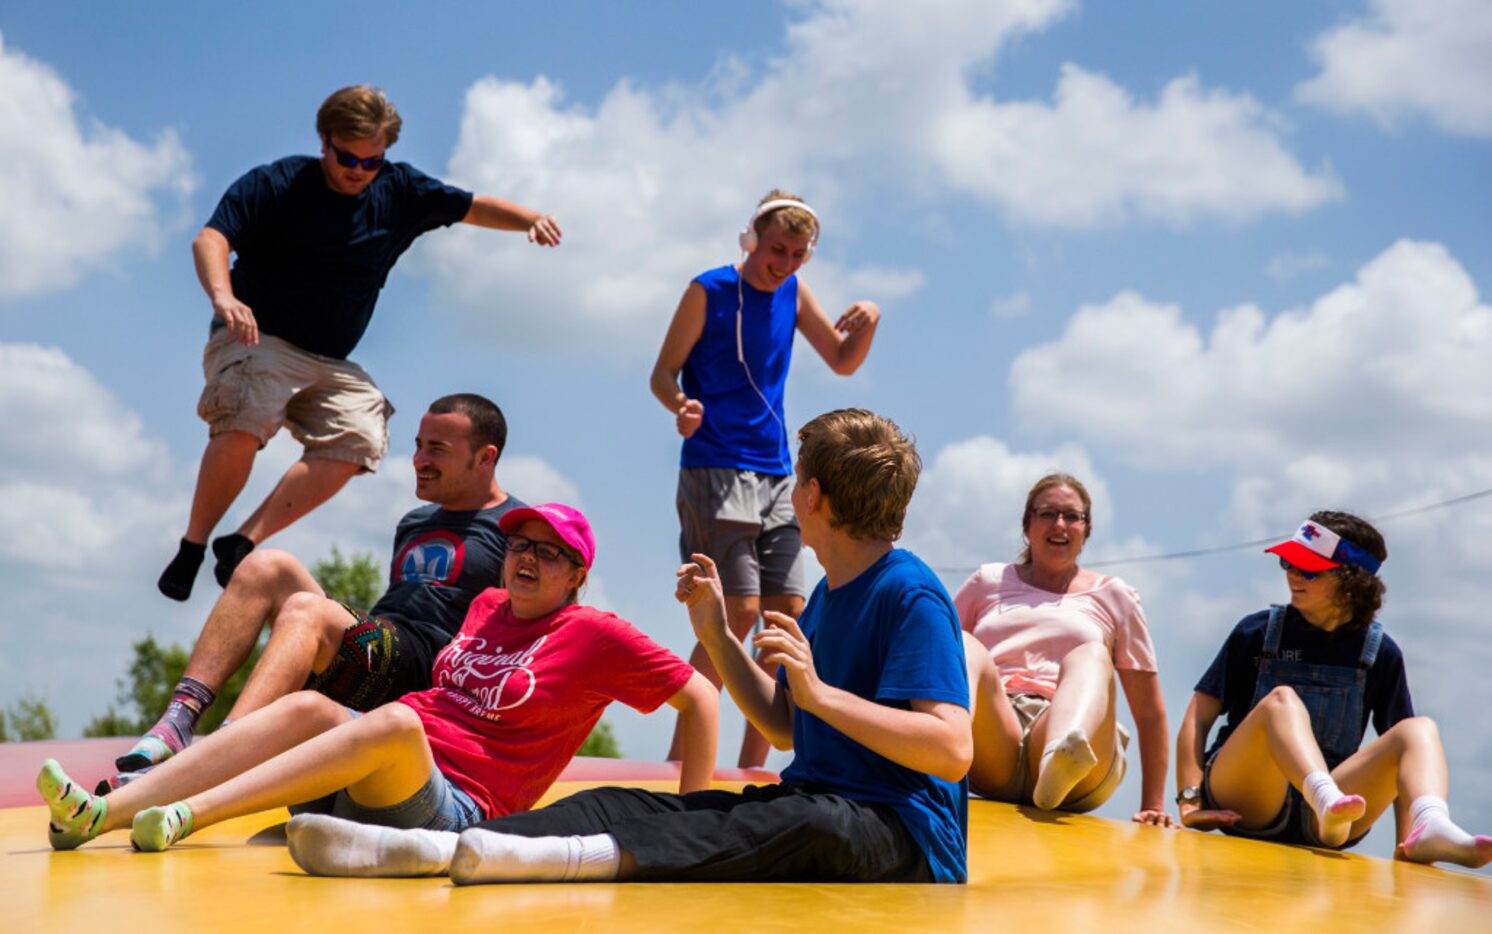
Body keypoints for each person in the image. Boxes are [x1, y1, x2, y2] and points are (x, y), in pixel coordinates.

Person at [283, 408, 971, 885]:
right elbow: (788, 728)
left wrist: (824, 694)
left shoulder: (906, 591)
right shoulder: (829, 592)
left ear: (813, 494)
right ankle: (437, 848)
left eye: (796, 477)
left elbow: (950, 748)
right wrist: (718, 638)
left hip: (903, 834)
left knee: (799, 822)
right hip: (819, 796)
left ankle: (554, 862)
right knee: (625, 800)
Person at [39, 504, 718, 855]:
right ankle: (99, 816)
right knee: (310, 705)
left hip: (454, 808)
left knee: (395, 722)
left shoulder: (595, 634)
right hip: (372, 789)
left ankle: (188, 815)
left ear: (576, 575)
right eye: (518, 544)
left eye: (549, 552)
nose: (526, 559)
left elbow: (700, 699)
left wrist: (687, 828)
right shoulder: (486, 608)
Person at [158, 84, 562, 601]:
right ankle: (193, 546)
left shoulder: (400, 190)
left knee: (362, 433)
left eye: (371, 161)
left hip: (330, 360)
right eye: (347, 157)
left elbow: (471, 207)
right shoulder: (278, 183)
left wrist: (529, 219)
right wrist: (223, 297)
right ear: (323, 141)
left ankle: (240, 542)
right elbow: (210, 238)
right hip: (256, 336)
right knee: (248, 413)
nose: (358, 170)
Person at [113, 394, 525, 785]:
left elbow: (530, 633)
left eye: (437, 449)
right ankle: (177, 723)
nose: (419, 460)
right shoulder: (415, 521)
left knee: (309, 611)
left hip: (427, 672)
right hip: (381, 649)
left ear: (485, 458)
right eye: (418, 446)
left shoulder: (517, 530)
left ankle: (221, 756)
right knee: (266, 566)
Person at [650, 190, 881, 768]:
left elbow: (843, 360)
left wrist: (869, 320)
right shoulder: (708, 290)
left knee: (788, 615)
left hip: (777, 470)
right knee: (738, 612)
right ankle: (683, 760)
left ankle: (754, 764)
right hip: (714, 464)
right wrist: (680, 405)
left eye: (799, 254)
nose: (785, 263)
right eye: (777, 249)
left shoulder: (794, 292)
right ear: (750, 237)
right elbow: (662, 373)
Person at [1176, 513, 1490, 868]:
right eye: (1287, 562)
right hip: (1249, 797)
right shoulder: (1257, 632)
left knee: (1420, 729)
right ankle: (1323, 797)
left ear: (1352, 581)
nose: (1292, 574)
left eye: (1308, 568)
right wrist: (1190, 800)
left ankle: (1428, 825)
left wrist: (1406, 847)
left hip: (1334, 819)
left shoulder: (1380, 654)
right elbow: (1197, 716)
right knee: (1281, 701)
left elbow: (1406, 760)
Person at [957, 473, 1172, 825]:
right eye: (1048, 514)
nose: (1060, 524)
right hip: (997, 736)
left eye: (1072, 516)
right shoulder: (988, 581)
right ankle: (940, 747)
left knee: (1092, 655)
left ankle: (1060, 757)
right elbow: (935, 656)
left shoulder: (1115, 596)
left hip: (1074, 738)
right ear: (1027, 525)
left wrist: (1154, 805)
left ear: (1086, 532)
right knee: (962, 644)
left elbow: (1149, 713)